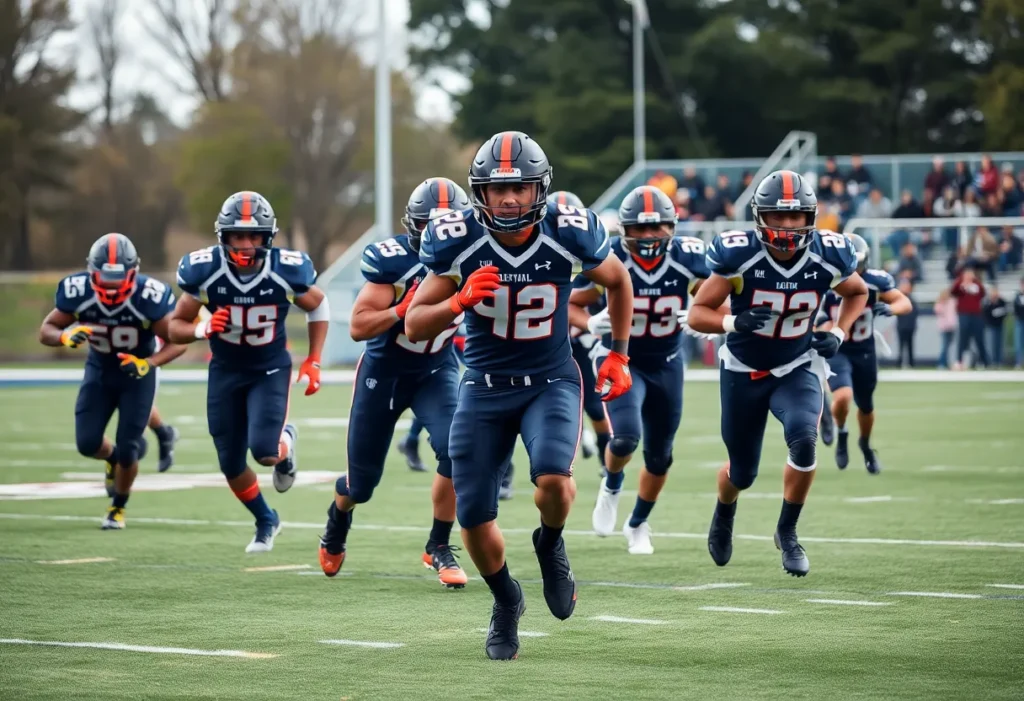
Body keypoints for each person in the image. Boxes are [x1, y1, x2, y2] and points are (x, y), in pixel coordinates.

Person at [404, 131, 635, 660]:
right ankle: (506, 600)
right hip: (483, 387)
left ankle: (550, 544)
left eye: (522, 188)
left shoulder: (567, 231)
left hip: (551, 379)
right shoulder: (455, 238)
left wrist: (619, 354)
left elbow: (619, 282)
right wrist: (458, 300)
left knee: (555, 479)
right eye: (498, 188)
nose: (509, 199)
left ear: (541, 190)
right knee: (473, 519)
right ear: (479, 193)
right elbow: (416, 323)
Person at [687, 170, 868, 577]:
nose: (787, 226)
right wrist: (734, 322)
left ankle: (787, 532)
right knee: (742, 472)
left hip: (796, 364)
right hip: (743, 370)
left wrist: (838, 332)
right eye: (777, 216)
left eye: (796, 216)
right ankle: (724, 510)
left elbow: (857, 292)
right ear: (759, 217)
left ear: (811, 217)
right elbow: (697, 313)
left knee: (804, 440)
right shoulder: (740, 256)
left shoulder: (827, 254)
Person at [318, 177, 471, 589]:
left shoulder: (476, 254)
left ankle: (438, 544)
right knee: (361, 485)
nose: (438, 235)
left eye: (448, 225)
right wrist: (398, 311)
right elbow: (357, 326)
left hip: (436, 370)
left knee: (457, 450)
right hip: (383, 374)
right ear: (414, 226)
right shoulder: (394, 261)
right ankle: (339, 517)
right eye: (429, 225)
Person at [169, 191, 327, 553]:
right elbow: (174, 324)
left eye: (253, 236)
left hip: (269, 367)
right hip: (225, 369)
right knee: (229, 462)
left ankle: (286, 443)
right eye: (237, 236)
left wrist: (313, 358)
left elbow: (319, 306)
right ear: (223, 237)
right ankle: (265, 519)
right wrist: (202, 329)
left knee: (265, 452)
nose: (244, 244)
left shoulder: (285, 269)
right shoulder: (206, 271)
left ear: (267, 237)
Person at [568, 185, 709, 555]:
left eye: (657, 227)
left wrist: (704, 317)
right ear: (624, 230)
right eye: (640, 229)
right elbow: (567, 303)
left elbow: (716, 300)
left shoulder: (688, 258)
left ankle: (638, 523)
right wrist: (589, 323)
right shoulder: (610, 258)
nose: (648, 236)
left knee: (661, 454)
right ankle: (611, 483)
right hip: (619, 358)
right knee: (627, 436)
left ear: (672, 226)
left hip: (667, 362)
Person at [38, 233, 187, 528]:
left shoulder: (149, 297)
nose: (111, 284)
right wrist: (65, 336)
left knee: (130, 446)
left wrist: (149, 364)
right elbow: (47, 329)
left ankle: (117, 507)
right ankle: (114, 459)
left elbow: (179, 341)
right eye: (104, 276)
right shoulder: (77, 291)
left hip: (137, 375)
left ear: (134, 272)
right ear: (91, 271)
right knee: (87, 442)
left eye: (118, 277)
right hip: (100, 370)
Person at [816, 234, 912, 474]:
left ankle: (865, 444)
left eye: (857, 265)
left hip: (865, 351)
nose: (853, 271)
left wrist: (891, 308)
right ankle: (842, 431)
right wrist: (829, 329)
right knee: (843, 396)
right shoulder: (827, 281)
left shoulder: (874, 281)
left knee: (866, 406)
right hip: (839, 349)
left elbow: (904, 302)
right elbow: (818, 322)